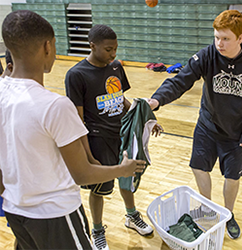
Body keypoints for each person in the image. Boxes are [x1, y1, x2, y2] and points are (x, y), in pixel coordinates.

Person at [0, 10, 147, 250]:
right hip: (55, 215)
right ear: (48, 47)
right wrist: (123, 169)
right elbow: (82, 175)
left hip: (15, 210)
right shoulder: (56, 105)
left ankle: (131, 214)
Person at [148, 10, 242, 239]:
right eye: (216, 37)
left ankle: (228, 213)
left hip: (238, 132)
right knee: (198, 167)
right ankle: (208, 208)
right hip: (208, 125)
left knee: (232, 178)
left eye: (225, 39)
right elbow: (181, 80)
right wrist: (157, 100)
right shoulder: (207, 55)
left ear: (241, 37)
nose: (219, 44)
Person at [65, 24, 160, 250]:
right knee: (99, 189)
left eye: (115, 49)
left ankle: (131, 216)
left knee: (128, 177)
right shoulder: (76, 75)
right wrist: (88, 156)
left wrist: (147, 120)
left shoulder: (116, 67)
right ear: (92, 46)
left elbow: (121, 99)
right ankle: (97, 231)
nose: (113, 54)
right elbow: (78, 121)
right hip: (98, 140)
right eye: (108, 49)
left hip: (123, 136)